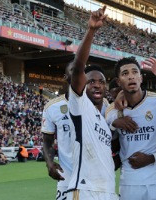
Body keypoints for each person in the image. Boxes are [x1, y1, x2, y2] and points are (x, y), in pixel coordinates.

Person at [66, 6, 117, 199]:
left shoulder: (105, 116)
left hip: (108, 190)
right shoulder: (80, 105)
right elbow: (79, 68)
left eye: (101, 82)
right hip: (86, 190)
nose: (96, 85)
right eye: (91, 81)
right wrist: (91, 31)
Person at [106, 56, 156, 200]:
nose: (131, 76)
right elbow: (110, 137)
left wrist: (152, 158)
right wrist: (115, 123)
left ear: (141, 77)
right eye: (125, 73)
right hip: (128, 180)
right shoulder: (112, 111)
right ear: (118, 81)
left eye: (135, 72)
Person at [41, 64, 73, 200]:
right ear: (66, 77)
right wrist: (49, 163)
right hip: (66, 175)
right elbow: (47, 142)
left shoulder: (100, 104)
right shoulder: (53, 107)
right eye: (74, 70)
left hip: (94, 177)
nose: (78, 72)